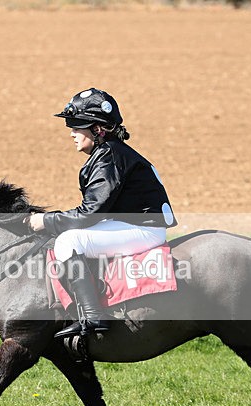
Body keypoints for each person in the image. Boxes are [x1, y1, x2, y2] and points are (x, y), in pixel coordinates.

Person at [28, 88, 176, 339]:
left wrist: (46, 220)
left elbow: (89, 214)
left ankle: (93, 316)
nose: (72, 133)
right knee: (70, 236)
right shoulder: (110, 152)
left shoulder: (109, 156)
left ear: (98, 130)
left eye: (77, 126)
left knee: (69, 240)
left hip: (143, 230)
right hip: (134, 225)